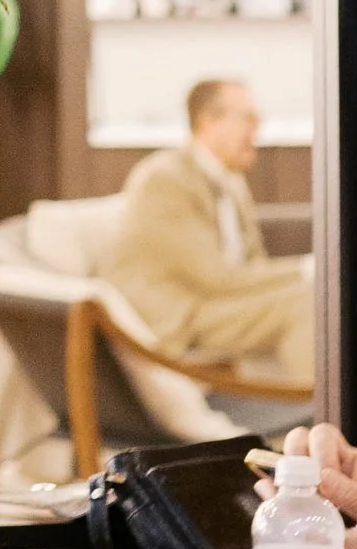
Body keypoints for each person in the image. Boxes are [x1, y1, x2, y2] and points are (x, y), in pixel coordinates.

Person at [107, 76, 310, 392]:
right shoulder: (164, 179)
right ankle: (320, 416)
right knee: (309, 301)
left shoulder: (231, 180)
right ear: (208, 121)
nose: (257, 129)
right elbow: (216, 278)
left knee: (322, 294)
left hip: (217, 306)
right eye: (248, 118)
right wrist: (308, 269)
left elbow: (253, 264)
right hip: (182, 319)